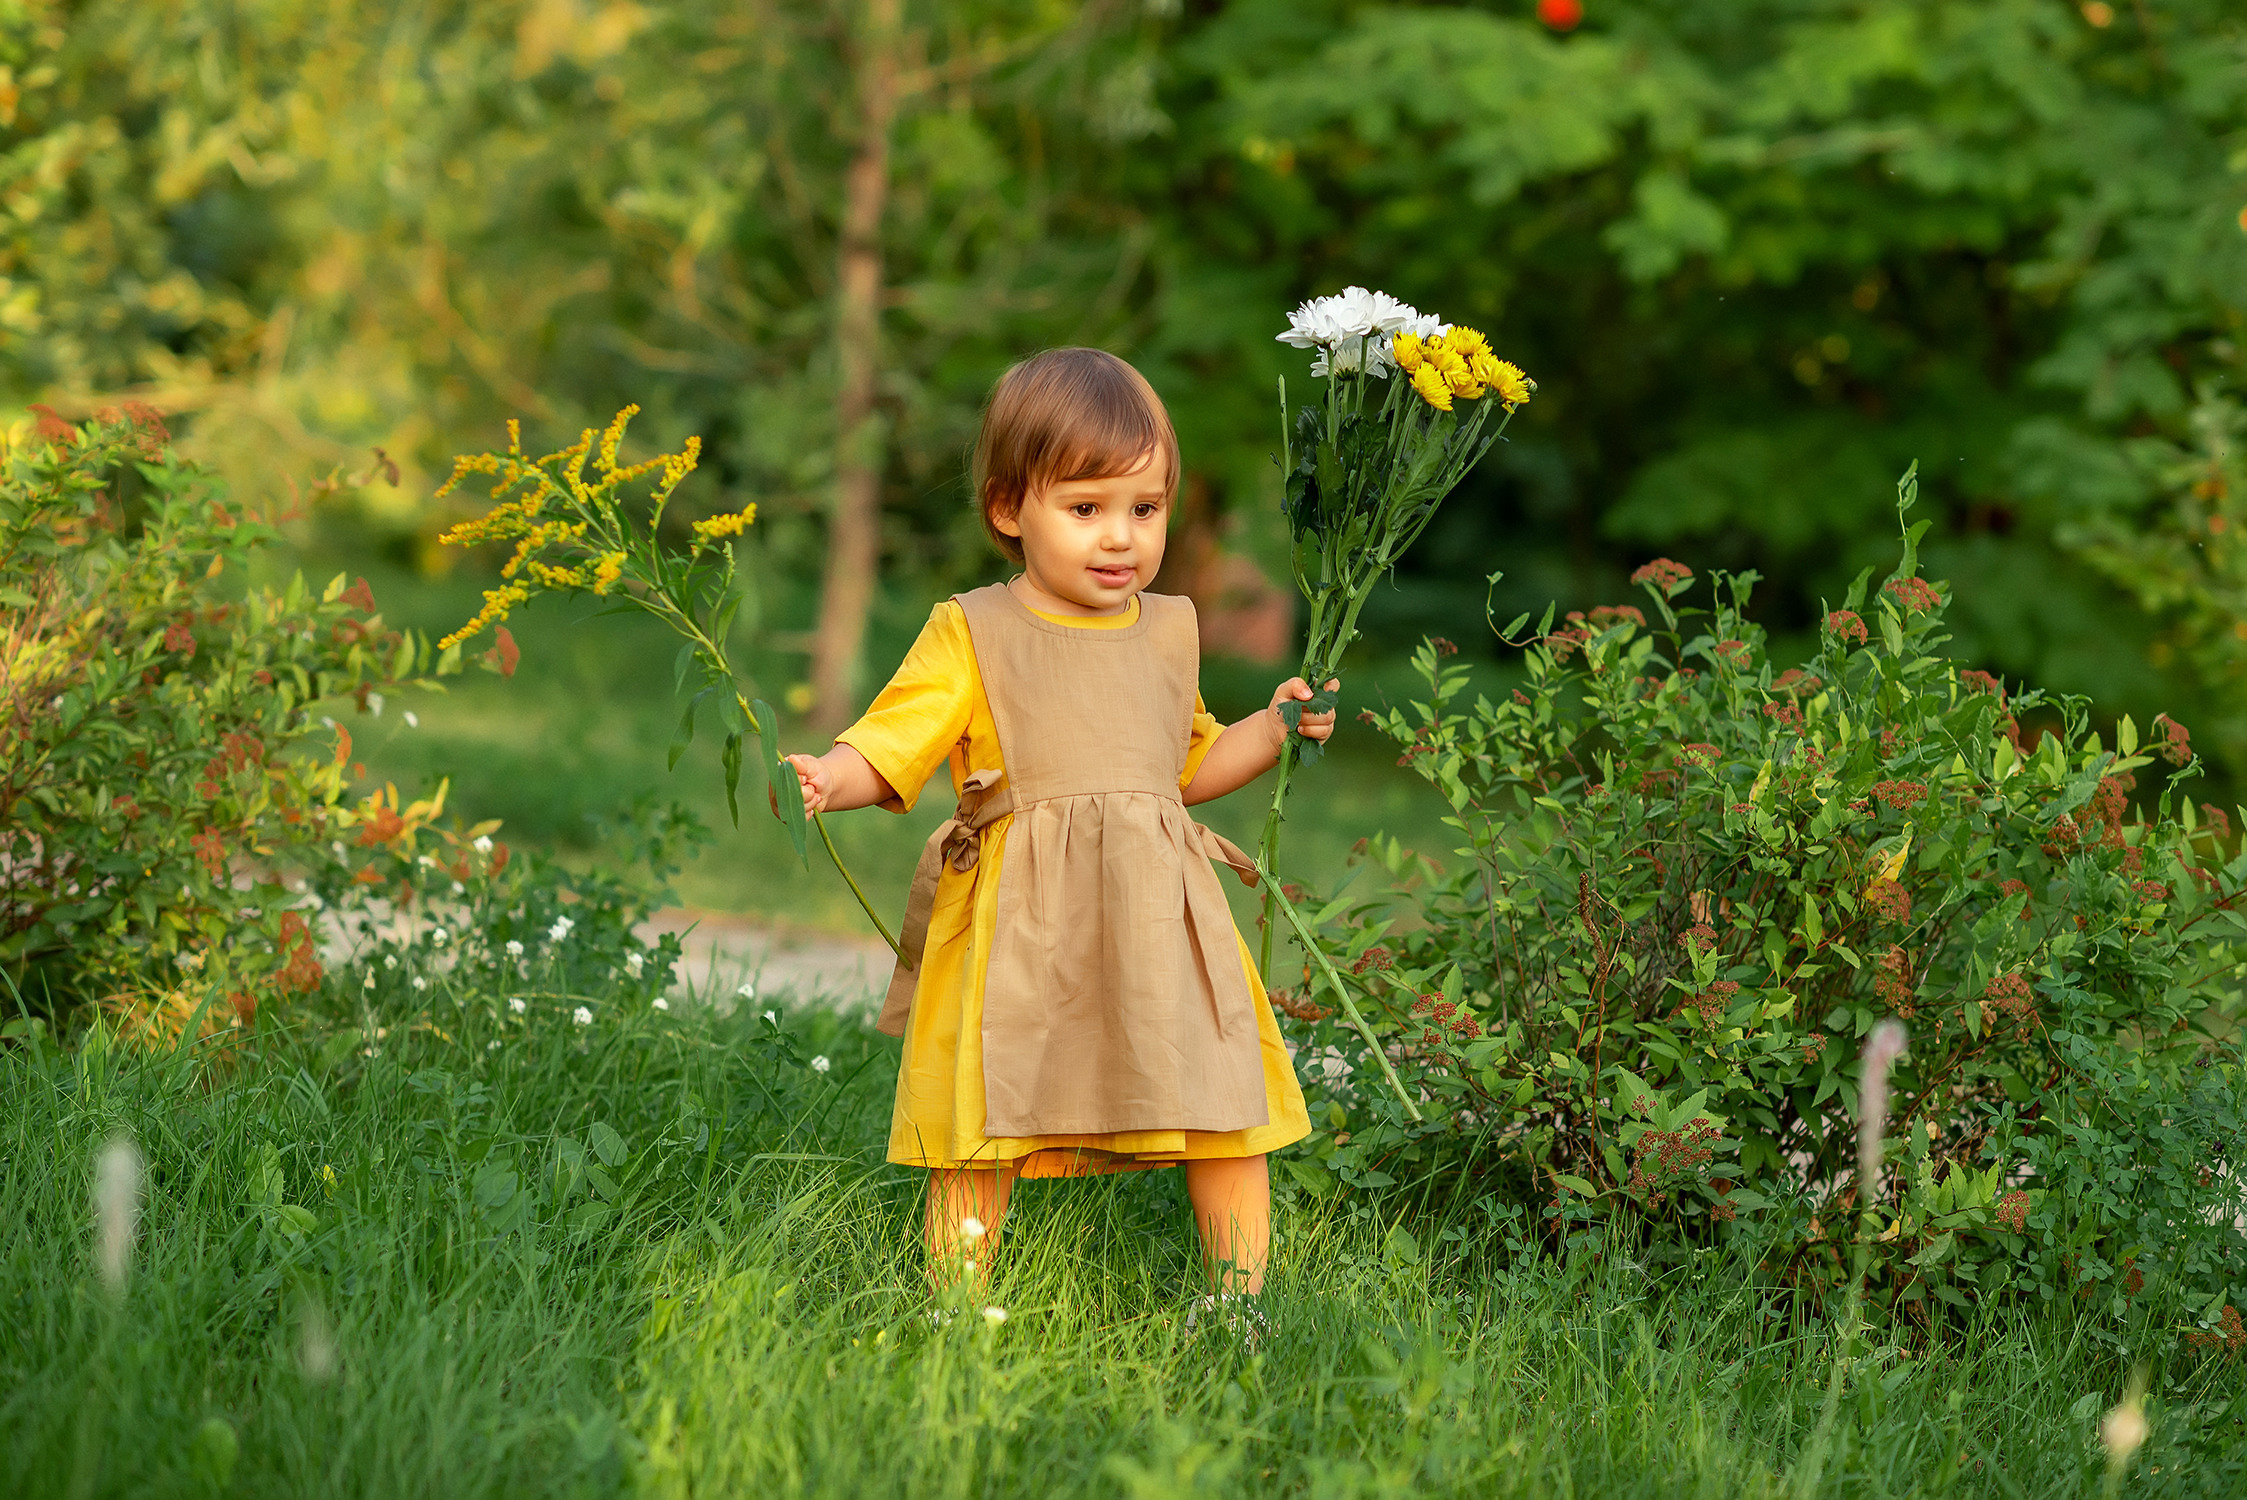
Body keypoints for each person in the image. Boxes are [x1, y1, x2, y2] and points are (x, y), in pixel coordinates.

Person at [782, 347, 1332, 1313]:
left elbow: (1182, 768)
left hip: (1158, 915)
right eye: (1086, 509)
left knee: (1219, 1096)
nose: (1120, 537)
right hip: (1019, 927)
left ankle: (1239, 1303)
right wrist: (838, 773)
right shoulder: (975, 629)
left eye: (1145, 509)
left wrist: (1272, 728)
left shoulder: (1165, 631)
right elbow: (898, 735)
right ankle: (959, 1303)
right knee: (985, 1115)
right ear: (1008, 508)